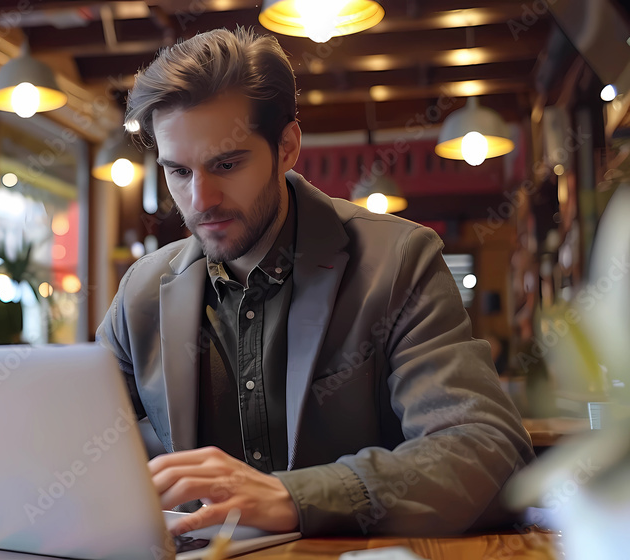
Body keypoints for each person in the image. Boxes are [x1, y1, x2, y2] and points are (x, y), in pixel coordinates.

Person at [97, 27, 534, 538]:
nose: (200, 200)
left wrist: (291, 497)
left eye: (227, 164)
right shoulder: (141, 292)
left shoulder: (399, 261)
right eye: (178, 171)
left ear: (287, 147)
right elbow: (64, 446)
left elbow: (486, 452)